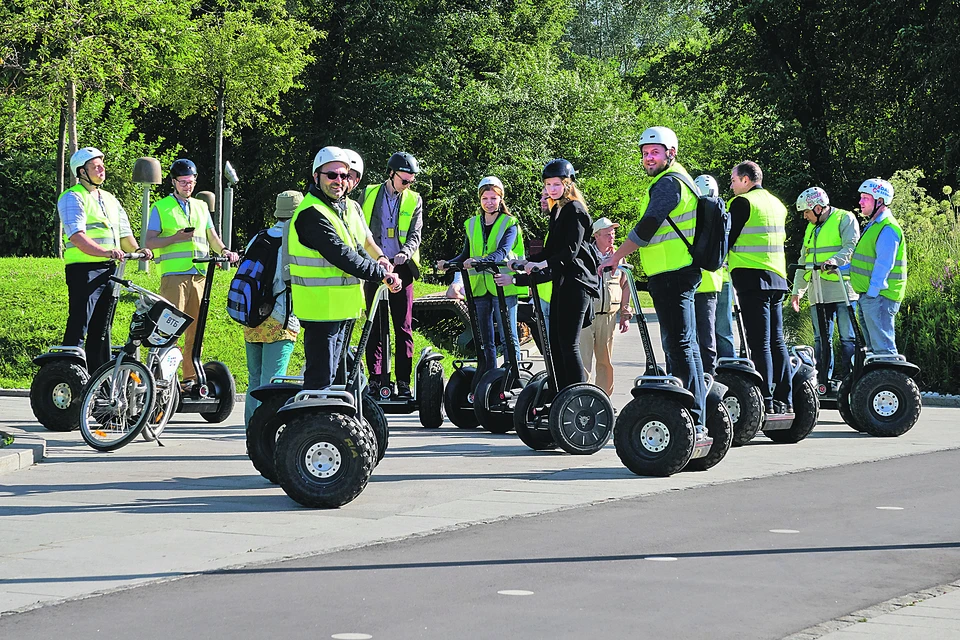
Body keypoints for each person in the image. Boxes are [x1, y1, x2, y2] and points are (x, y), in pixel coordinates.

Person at [600, 127, 706, 429]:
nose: (648, 158)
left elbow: (648, 225)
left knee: (679, 345)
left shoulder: (669, 183)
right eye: (645, 153)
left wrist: (616, 256)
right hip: (673, 273)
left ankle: (692, 418)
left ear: (670, 153)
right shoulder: (675, 180)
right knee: (685, 345)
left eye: (655, 152)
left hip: (674, 274)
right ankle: (694, 413)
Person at [287, 146, 400, 391]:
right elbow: (343, 256)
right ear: (316, 176)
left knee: (338, 377)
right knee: (321, 379)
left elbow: (357, 247)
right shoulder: (312, 214)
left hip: (341, 308)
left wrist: (380, 264)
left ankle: (334, 425)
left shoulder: (337, 208)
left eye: (344, 175)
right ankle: (316, 426)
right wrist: (381, 274)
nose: (339, 181)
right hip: (320, 310)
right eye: (332, 175)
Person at [145, 159, 239, 390]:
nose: (188, 186)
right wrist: (175, 238)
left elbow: (211, 237)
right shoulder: (160, 207)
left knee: (195, 331)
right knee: (171, 328)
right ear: (173, 182)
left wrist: (225, 251)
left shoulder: (201, 206)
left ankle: (190, 379)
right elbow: (149, 241)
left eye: (191, 181)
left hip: (199, 275)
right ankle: (164, 378)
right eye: (183, 182)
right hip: (174, 276)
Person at [58, 147, 153, 371]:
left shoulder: (110, 199)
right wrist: (106, 252)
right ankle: (68, 373)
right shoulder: (72, 197)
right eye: (96, 167)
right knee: (80, 322)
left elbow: (124, 235)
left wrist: (139, 249)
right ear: (81, 172)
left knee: (103, 327)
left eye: (102, 166)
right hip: (84, 270)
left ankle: (98, 376)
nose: (102, 170)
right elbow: (77, 236)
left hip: (110, 270)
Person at [518, 159, 599, 391]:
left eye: (556, 184)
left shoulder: (575, 209)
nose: (552, 189)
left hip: (577, 282)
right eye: (548, 185)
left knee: (568, 343)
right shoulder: (557, 210)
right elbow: (551, 249)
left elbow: (571, 250)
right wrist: (526, 262)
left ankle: (576, 395)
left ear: (568, 183)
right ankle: (558, 393)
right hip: (562, 282)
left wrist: (544, 263)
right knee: (553, 342)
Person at [440, 176, 524, 379]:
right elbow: (465, 254)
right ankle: (488, 377)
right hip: (479, 287)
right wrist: (449, 263)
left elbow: (502, 253)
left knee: (508, 337)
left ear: (500, 198)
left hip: (503, 285)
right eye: (485, 198)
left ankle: (514, 378)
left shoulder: (509, 223)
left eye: (493, 198)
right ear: (479, 199)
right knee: (484, 339)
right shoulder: (471, 224)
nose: (489, 202)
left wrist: (479, 260)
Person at [727, 160, 792, 414]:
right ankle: (784, 399)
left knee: (760, 342)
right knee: (777, 341)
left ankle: (765, 399)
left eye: (733, 181)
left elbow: (727, 239)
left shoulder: (742, 203)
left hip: (751, 277)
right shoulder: (777, 204)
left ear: (745, 179)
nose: (731, 186)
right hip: (776, 276)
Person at [357, 152, 424, 397]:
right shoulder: (369, 193)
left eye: (411, 181)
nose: (407, 185)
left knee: (403, 326)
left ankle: (403, 382)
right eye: (404, 180)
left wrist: (404, 254)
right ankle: (377, 380)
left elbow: (415, 234)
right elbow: (360, 228)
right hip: (375, 267)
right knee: (374, 325)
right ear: (391, 174)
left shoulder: (414, 200)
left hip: (402, 268)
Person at [242, 191, 302, 426]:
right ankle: (264, 434)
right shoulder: (293, 242)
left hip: (252, 317)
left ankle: (251, 431)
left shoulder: (258, 238)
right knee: (273, 382)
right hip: (280, 319)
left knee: (255, 379)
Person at [789, 187, 860, 384]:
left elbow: (851, 246)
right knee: (821, 339)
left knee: (848, 338)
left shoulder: (845, 219)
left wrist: (833, 261)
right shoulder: (811, 228)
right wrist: (797, 291)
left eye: (806, 212)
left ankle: (850, 381)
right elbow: (804, 259)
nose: (805, 217)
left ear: (818, 208)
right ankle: (823, 382)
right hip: (818, 292)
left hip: (844, 289)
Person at [849, 178, 906, 355]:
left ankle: (892, 382)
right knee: (874, 352)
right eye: (861, 197)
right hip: (869, 297)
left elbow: (884, 265)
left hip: (880, 297)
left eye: (865, 197)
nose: (860, 202)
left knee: (884, 351)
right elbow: (866, 262)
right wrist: (839, 269)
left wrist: (872, 293)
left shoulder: (888, 228)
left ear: (879, 201)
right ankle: (878, 382)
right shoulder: (874, 225)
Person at [579, 217, 631, 396]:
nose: (612, 238)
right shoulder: (585, 255)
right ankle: (583, 397)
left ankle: (604, 398)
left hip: (608, 316)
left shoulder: (619, 257)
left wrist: (625, 313)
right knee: (584, 359)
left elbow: (626, 286)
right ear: (596, 236)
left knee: (605, 361)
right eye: (607, 234)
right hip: (587, 314)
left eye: (613, 234)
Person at [692, 174, 725, 375]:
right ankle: (709, 373)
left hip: (693, 281)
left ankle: (699, 374)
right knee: (709, 335)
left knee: (692, 337)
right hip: (712, 282)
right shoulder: (721, 213)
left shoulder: (693, 213)